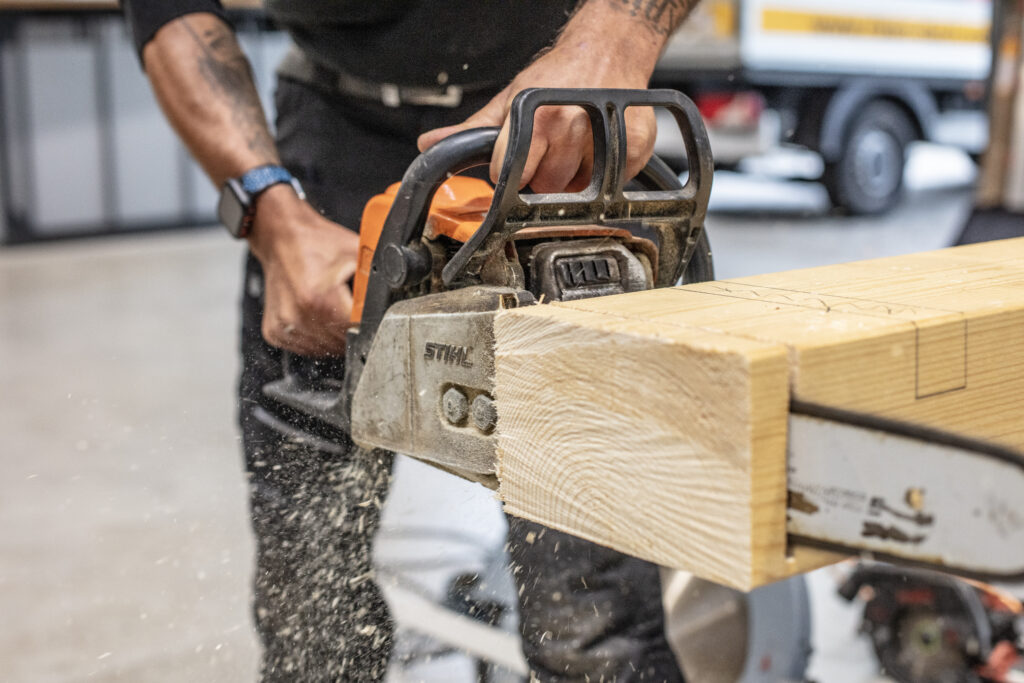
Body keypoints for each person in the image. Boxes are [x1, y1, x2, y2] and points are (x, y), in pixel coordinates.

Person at [120, 1, 698, 680]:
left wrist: (621, 33)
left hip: (556, 133)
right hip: (336, 140)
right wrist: (272, 214)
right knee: (315, 624)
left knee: (596, 632)